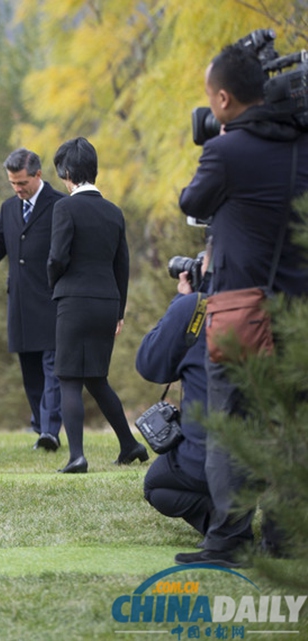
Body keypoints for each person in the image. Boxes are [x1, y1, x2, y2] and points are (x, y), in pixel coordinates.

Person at [177, 43, 308, 566]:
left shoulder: (226, 152)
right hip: (298, 316)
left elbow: (193, 201)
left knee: (229, 425)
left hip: (241, 314)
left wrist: (221, 144)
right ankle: (286, 538)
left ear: (226, 99)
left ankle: (227, 540)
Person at [47, 137, 148, 474]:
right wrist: (118, 312)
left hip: (74, 301)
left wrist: (54, 283)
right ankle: (130, 445)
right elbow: (123, 266)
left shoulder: (65, 207)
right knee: (97, 378)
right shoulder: (113, 212)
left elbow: (58, 256)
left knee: (69, 379)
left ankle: (77, 455)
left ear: (67, 172)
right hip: (107, 302)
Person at [0, 148, 63, 451]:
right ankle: (41, 426)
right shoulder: (8, 208)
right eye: (12, 184)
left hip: (51, 301)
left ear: (38, 175)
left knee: (52, 368)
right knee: (30, 370)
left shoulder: (60, 205)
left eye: (22, 183)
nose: (17, 189)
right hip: (19, 302)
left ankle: (51, 431)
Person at [139, 246, 214, 539]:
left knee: (156, 485)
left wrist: (181, 302)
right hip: (280, 450)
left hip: (211, 453)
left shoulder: (197, 306)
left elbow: (152, 365)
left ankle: (226, 528)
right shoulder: (275, 299)